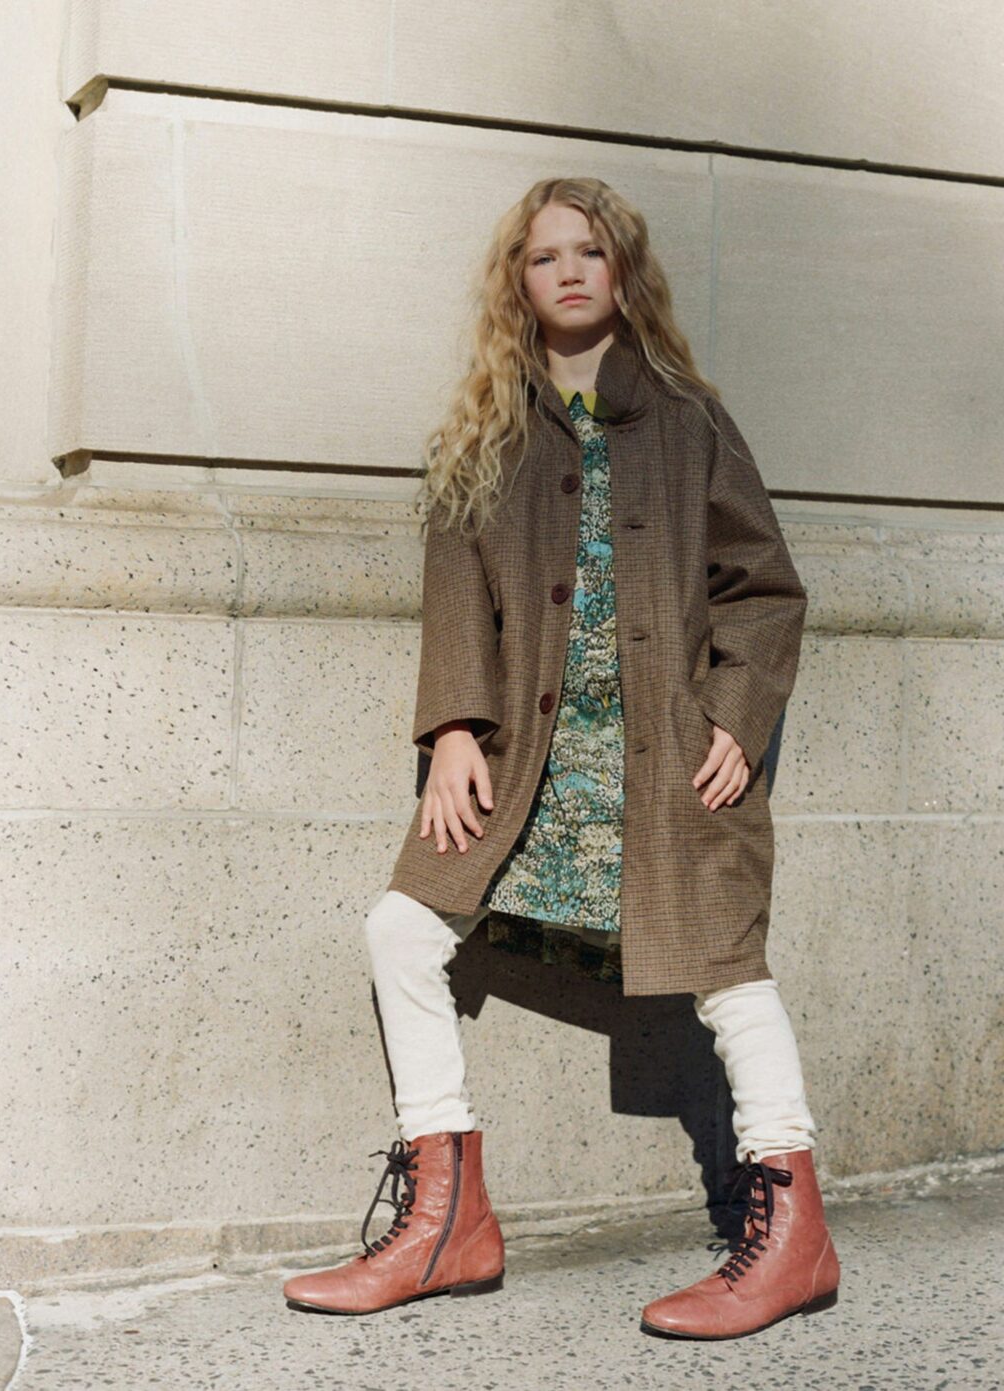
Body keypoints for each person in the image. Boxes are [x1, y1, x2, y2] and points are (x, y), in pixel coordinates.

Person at [279, 177, 839, 1340]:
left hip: (667, 761)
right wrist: (446, 733)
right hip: (524, 757)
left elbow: (765, 586)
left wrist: (735, 711)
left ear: (621, 271)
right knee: (400, 926)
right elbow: (454, 603)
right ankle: (445, 1219)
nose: (569, 271)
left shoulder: (689, 421)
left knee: (727, 971)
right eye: (543, 258)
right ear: (516, 285)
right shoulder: (479, 435)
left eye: (590, 251)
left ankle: (793, 1232)